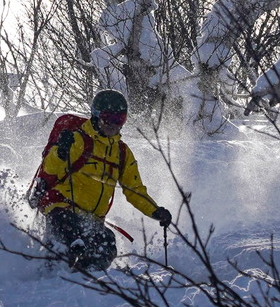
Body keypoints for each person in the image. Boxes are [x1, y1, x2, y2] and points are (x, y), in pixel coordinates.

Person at [26, 89, 172, 272]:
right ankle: (48, 280)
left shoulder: (121, 153)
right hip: (61, 208)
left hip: (92, 218)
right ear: (95, 116)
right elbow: (50, 168)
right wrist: (61, 152)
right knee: (69, 240)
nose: (113, 124)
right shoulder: (78, 140)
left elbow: (134, 189)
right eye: (107, 118)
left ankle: (84, 283)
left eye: (119, 119)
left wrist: (155, 211)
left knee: (106, 246)